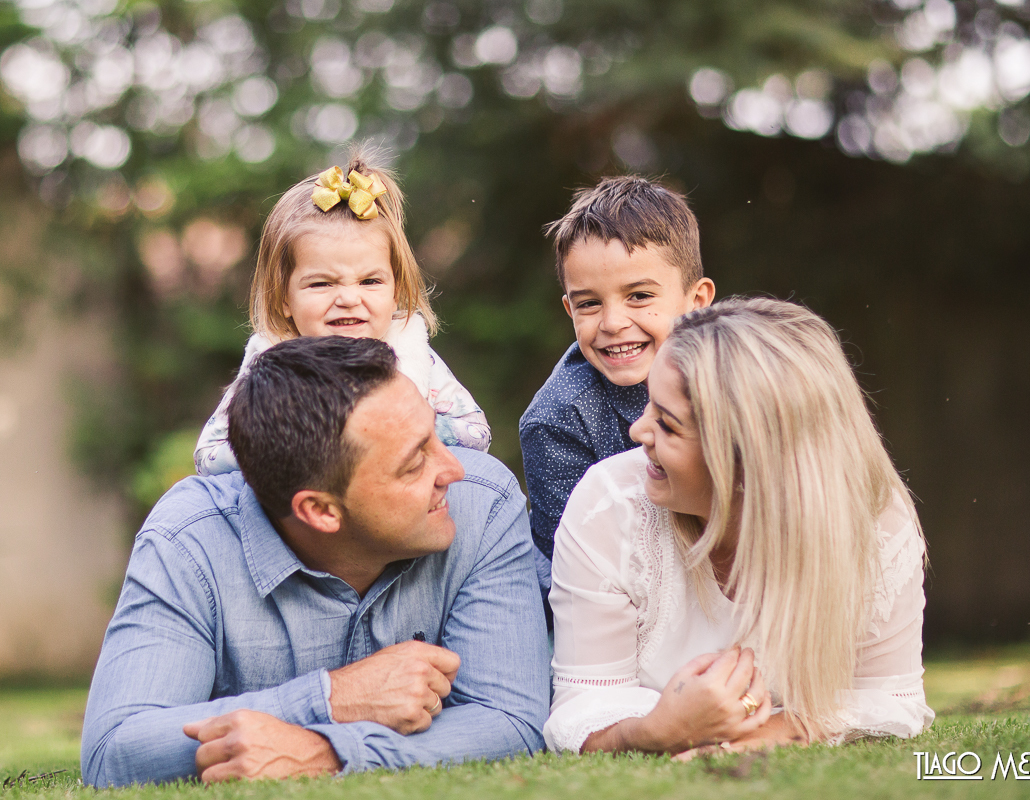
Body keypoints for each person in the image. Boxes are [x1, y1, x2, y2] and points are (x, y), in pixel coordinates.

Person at [82, 337, 547, 786]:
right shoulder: (189, 542)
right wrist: (333, 698)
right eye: (414, 463)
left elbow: (510, 721)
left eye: (434, 435)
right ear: (320, 510)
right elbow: (116, 749)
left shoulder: (482, 505)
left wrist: (325, 751)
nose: (454, 469)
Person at [544, 297, 934, 755]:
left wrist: (761, 736)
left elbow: (888, 699)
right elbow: (582, 706)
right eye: (650, 405)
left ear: (749, 465)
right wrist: (657, 730)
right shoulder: (607, 508)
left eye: (668, 425)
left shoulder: (874, 523)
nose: (637, 431)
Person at [195, 151, 490, 477]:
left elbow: (476, 435)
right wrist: (292, 441)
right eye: (321, 284)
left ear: (396, 292)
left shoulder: (410, 354)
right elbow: (208, 457)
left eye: (370, 281)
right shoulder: (271, 361)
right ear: (283, 299)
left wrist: (400, 430)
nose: (349, 298)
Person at [519, 176, 715, 608]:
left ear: (696, 301)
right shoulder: (557, 419)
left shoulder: (739, 377)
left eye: (639, 296)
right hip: (611, 600)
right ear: (570, 309)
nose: (611, 322)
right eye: (589, 303)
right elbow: (575, 564)